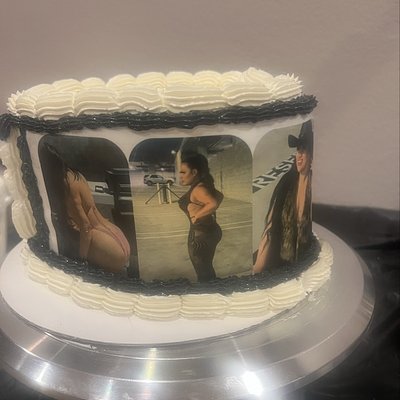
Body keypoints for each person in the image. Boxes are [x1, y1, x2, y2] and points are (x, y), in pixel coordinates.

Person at [40, 143, 130, 273]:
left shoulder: (66, 185)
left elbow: (86, 226)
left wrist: (82, 259)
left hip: (104, 243)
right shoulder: (76, 175)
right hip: (116, 235)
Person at [253, 121, 313, 274]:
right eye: (298, 151)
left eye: (304, 151)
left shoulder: (316, 185)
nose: (299, 156)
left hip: (309, 268)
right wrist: (257, 269)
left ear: (313, 155)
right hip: (281, 266)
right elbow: (270, 228)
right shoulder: (287, 183)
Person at [178, 153, 223, 282]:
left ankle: (209, 291)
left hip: (200, 236)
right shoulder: (202, 185)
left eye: (183, 172)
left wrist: (197, 215)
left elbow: (213, 203)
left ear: (194, 172)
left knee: (203, 273)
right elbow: (220, 196)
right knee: (206, 268)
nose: (180, 176)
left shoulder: (199, 189)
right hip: (209, 231)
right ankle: (213, 287)